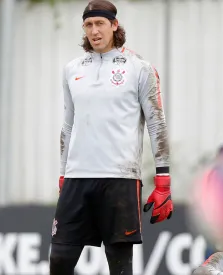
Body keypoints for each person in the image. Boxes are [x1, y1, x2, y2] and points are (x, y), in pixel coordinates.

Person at [50, 1, 172, 274]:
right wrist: (62, 173)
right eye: (88, 25)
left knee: (119, 265)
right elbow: (68, 125)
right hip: (76, 178)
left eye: (100, 23)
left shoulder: (140, 68)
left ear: (114, 25)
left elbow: (157, 124)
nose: (94, 31)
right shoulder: (72, 69)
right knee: (59, 260)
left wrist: (163, 180)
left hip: (120, 180)